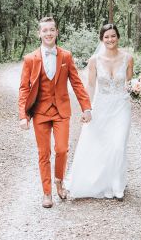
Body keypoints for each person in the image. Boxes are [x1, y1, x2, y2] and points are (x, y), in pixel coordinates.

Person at [18, 16, 92, 208]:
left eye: (52, 30)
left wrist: (86, 107)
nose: (48, 33)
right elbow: (24, 88)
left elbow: (76, 83)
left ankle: (59, 180)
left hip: (61, 111)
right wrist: (23, 116)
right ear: (39, 33)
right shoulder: (30, 59)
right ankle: (47, 192)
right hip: (40, 112)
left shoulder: (66, 56)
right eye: (45, 30)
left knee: (61, 149)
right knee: (44, 153)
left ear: (57, 32)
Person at [65, 23, 133, 199]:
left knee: (118, 145)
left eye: (113, 36)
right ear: (102, 39)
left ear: (118, 37)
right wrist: (87, 108)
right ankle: (101, 180)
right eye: (106, 37)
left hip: (121, 106)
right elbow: (91, 85)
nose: (110, 39)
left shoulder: (128, 58)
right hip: (101, 105)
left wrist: (139, 88)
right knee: (100, 143)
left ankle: (117, 185)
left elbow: (129, 84)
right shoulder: (95, 60)